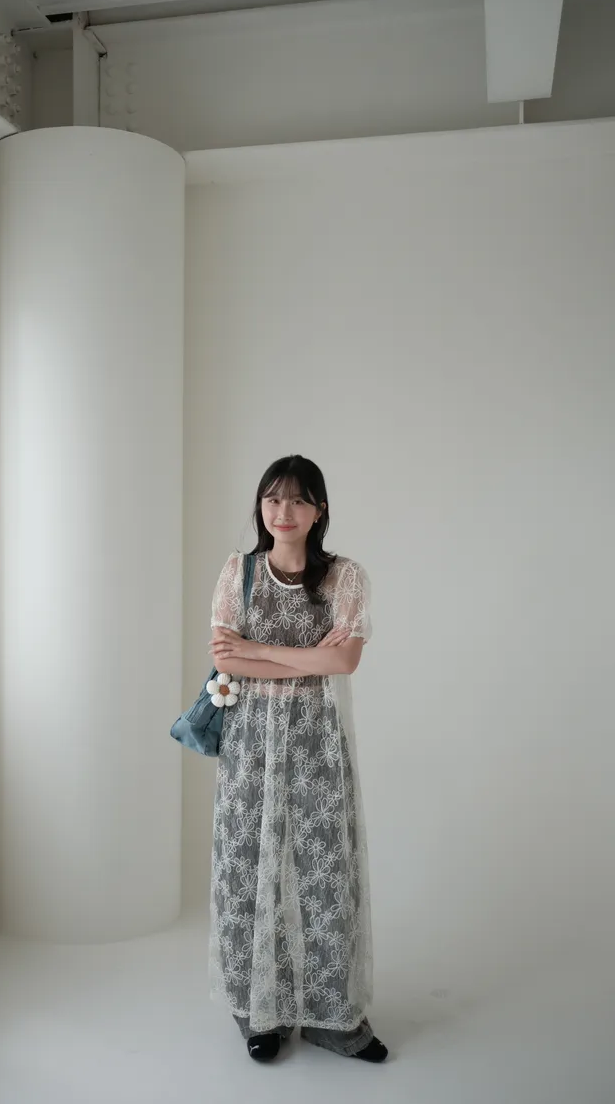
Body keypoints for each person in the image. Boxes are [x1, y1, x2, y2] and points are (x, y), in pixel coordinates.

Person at [208, 455, 387, 1064]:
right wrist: (302, 655)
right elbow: (225, 660)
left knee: (324, 872)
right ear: (260, 506)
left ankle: (332, 1018)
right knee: (247, 871)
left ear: (320, 510)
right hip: (249, 745)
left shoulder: (344, 577)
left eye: (298, 500)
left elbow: (344, 662)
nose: (283, 512)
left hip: (316, 743)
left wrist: (258, 649)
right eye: (272, 499)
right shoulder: (239, 572)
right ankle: (261, 1012)